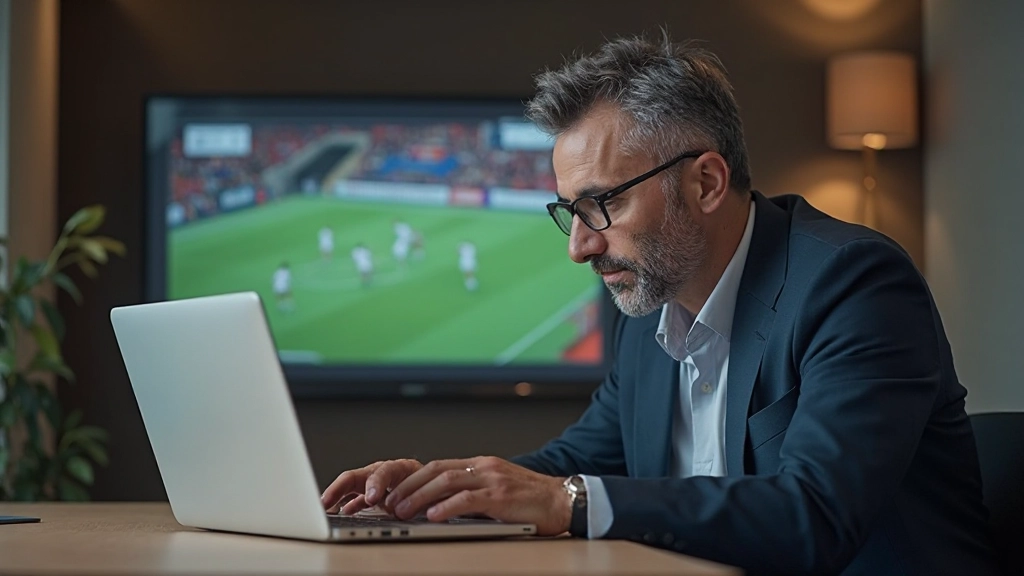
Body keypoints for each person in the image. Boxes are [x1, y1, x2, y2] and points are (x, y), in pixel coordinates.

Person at [321, 33, 999, 575]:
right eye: (569, 211)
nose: (580, 247)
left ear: (705, 182)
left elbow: (814, 515)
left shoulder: (853, 284)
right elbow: (576, 463)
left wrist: (566, 502)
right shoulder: (647, 311)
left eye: (602, 204)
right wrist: (441, 490)